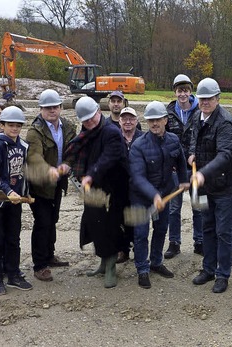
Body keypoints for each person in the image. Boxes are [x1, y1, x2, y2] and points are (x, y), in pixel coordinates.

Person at [63, 97, 127, 289]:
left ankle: (111, 269)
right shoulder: (86, 132)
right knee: (95, 225)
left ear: (99, 111)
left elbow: (108, 158)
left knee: (110, 227)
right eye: (85, 121)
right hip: (93, 187)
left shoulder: (111, 132)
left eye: (91, 118)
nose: (89, 123)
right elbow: (76, 152)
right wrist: (67, 165)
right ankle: (102, 263)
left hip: (114, 187)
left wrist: (91, 175)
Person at [189, 77, 232, 294]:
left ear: (217, 99)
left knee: (223, 231)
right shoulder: (197, 116)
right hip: (204, 187)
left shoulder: (225, 122)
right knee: (206, 227)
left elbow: (226, 155)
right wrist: (192, 153)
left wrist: (203, 172)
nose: (205, 102)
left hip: (226, 187)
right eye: (202, 99)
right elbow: (193, 137)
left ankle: (223, 274)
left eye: (209, 99)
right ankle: (208, 269)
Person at [129, 101, 189, 288]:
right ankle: (142, 269)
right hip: (141, 196)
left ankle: (156, 262)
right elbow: (137, 177)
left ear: (165, 119)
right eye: (150, 120)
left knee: (162, 229)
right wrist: (153, 195)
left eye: (158, 120)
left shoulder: (173, 139)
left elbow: (180, 161)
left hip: (165, 193)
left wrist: (183, 179)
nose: (154, 123)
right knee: (140, 233)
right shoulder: (139, 145)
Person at [25, 89, 77, 282]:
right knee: (42, 222)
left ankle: (49, 255)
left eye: (55, 107)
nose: (52, 111)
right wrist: (49, 171)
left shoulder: (68, 127)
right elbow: (34, 157)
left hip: (57, 184)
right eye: (47, 108)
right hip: (39, 185)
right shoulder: (35, 131)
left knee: (53, 219)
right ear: (41, 110)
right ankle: (40, 265)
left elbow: (73, 150)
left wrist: (67, 165)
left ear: (61, 108)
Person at [0, 106, 32, 295]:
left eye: (18, 126)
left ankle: (13, 273)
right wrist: (7, 190)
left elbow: (22, 174)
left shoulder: (23, 146)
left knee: (13, 239)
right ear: (2, 125)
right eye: (11, 125)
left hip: (14, 201)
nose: (15, 129)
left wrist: (24, 193)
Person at [165, 74, 202, 259]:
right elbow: (166, 139)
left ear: (190, 91)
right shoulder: (168, 113)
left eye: (186, 90)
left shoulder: (200, 111)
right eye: (179, 90)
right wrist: (171, 162)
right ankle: (174, 242)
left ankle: (200, 241)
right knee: (174, 207)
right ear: (175, 92)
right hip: (175, 169)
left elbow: (202, 137)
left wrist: (196, 155)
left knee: (199, 206)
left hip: (196, 166)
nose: (183, 94)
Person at [117, 106, 143, 263]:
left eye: (131, 118)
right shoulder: (114, 138)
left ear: (137, 121)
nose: (128, 121)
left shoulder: (143, 138)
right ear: (119, 121)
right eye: (124, 118)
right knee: (121, 220)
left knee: (138, 220)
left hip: (138, 188)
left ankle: (139, 251)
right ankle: (123, 250)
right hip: (120, 187)